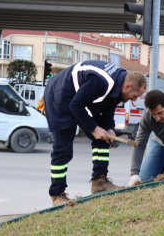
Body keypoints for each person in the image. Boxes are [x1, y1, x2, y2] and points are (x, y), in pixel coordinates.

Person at [41, 60, 147, 206]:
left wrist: (109, 128)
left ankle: (99, 182)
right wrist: (93, 128)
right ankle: (57, 194)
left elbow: (109, 106)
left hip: (81, 99)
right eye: (134, 96)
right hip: (60, 96)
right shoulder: (102, 81)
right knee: (63, 149)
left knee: (104, 138)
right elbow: (76, 105)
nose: (134, 100)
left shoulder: (120, 82)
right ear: (127, 86)